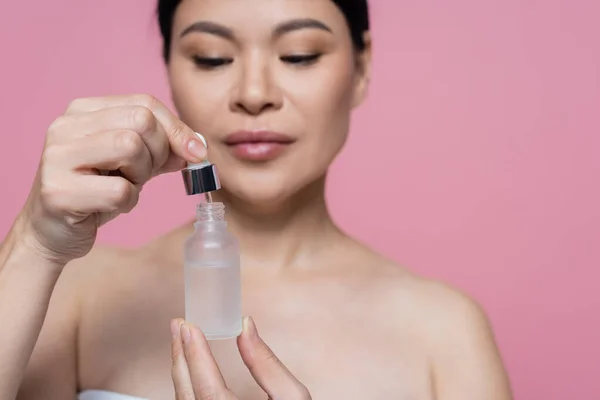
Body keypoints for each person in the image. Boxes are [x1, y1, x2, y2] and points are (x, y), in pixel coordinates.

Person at [0, 0, 513, 399]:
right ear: (170, 71)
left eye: (299, 54)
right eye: (212, 58)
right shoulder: (77, 297)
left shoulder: (444, 334)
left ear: (360, 69)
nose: (253, 91)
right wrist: (32, 244)